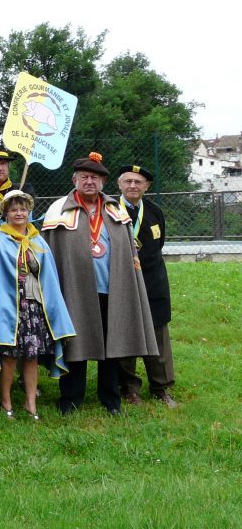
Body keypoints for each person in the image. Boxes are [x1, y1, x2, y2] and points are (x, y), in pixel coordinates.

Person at [42, 153, 158, 415]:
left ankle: (110, 398)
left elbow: (129, 251)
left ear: (104, 182)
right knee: (76, 344)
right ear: (74, 179)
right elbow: (50, 253)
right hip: (74, 291)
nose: (89, 181)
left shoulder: (115, 210)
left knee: (112, 345)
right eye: (84, 177)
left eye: (95, 177)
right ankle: (71, 397)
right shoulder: (59, 209)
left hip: (112, 288)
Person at [0, 190, 75, 419]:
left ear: (29, 212)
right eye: (13, 210)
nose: (19, 213)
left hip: (34, 307)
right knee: (9, 356)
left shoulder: (38, 241)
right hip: (9, 307)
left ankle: (30, 402)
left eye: (23, 209)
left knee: (32, 356)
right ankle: (6, 401)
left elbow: (48, 276)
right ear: (6, 214)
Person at [115, 164, 177, 407]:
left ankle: (161, 387)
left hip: (153, 282)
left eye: (138, 182)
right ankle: (128, 388)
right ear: (119, 184)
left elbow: (159, 243)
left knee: (158, 334)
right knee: (125, 334)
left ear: (147, 186)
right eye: (128, 181)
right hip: (121, 281)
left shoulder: (154, 211)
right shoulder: (109, 210)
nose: (132, 186)